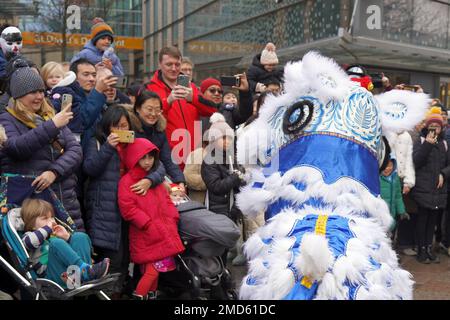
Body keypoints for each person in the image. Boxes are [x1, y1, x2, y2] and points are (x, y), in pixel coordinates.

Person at [0, 64, 85, 230]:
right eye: (33, 92)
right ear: (19, 95)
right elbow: (17, 148)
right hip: (32, 206)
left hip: (65, 199)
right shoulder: (6, 118)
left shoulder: (50, 115)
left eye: (41, 91)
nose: (39, 96)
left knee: (75, 249)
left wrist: (54, 172)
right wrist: (52, 125)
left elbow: (75, 150)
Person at [118, 138, 184, 300]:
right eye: (143, 157)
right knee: (151, 270)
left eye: (150, 157)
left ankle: (149, 295)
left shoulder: (154, 179)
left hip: (162, 230)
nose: (147, 162)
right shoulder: (127, 181)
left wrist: (172, 216)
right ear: (134, 157)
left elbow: (166, 199)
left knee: (155, 271)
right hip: (146, 234)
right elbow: (127, 208)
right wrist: (146, 222)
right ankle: (139, 296)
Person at [145, 46, 217, 169]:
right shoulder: (150, 88)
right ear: (160, 64)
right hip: (168, 159)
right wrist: (168, 101)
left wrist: (193, 98)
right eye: (169, 64)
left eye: (177, 64)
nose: (174, 69)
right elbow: (148, 122)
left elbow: (212, 111)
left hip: (195, 158)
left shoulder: (191, 86)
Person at [20, 198, 110, 288]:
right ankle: (83, 272)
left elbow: (69, 254)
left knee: (79, 237)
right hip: (51, 278)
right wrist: (47, 228)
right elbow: (29, 243)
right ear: (32, 224)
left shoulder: (53, 238)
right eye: (45, 218)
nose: (51, 221)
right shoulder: (28, 236)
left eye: (52, 217)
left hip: (70, 275)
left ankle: (86, 273)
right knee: (55, 243)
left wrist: (67, 238)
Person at [411, 107, 450, 264]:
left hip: (438, 189)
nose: (435, 130)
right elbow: (416, 162)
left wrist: (443, 174)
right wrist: (427, 144)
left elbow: (449, 165)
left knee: (433, 220)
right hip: (423, 188)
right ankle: (421, 249)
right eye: (432, 127)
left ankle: (428, 247)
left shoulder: (445, 144)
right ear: (427, 127)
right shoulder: (420, 141)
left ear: (442, 128)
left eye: (438, 127)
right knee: (422, 219)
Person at [50, 58, 117, 147]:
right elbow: (82, 121)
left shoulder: (90, 95)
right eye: (86, 74)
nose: (91, 79)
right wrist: (97, 91)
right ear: (74, 77)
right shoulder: (65, 94)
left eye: (94, 75)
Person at [134, 90, 186, 192]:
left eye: (157, 110)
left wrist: (180, 181)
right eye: (149, 109)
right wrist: (155, 180)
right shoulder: (130, 129)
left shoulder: (159, 130)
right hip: (136, 183)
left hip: (155, 177)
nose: (153, 114)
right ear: (138, 109)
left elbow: (168, 159)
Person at [379, 158, 409, 239]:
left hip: (392, 212)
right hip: (380, 214)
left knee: (390, 235)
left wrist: (402, 211)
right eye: (385, 166)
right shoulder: (377, 178)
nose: (387, 168)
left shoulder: (395, 178)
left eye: (390, 166)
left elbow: (398, 196)